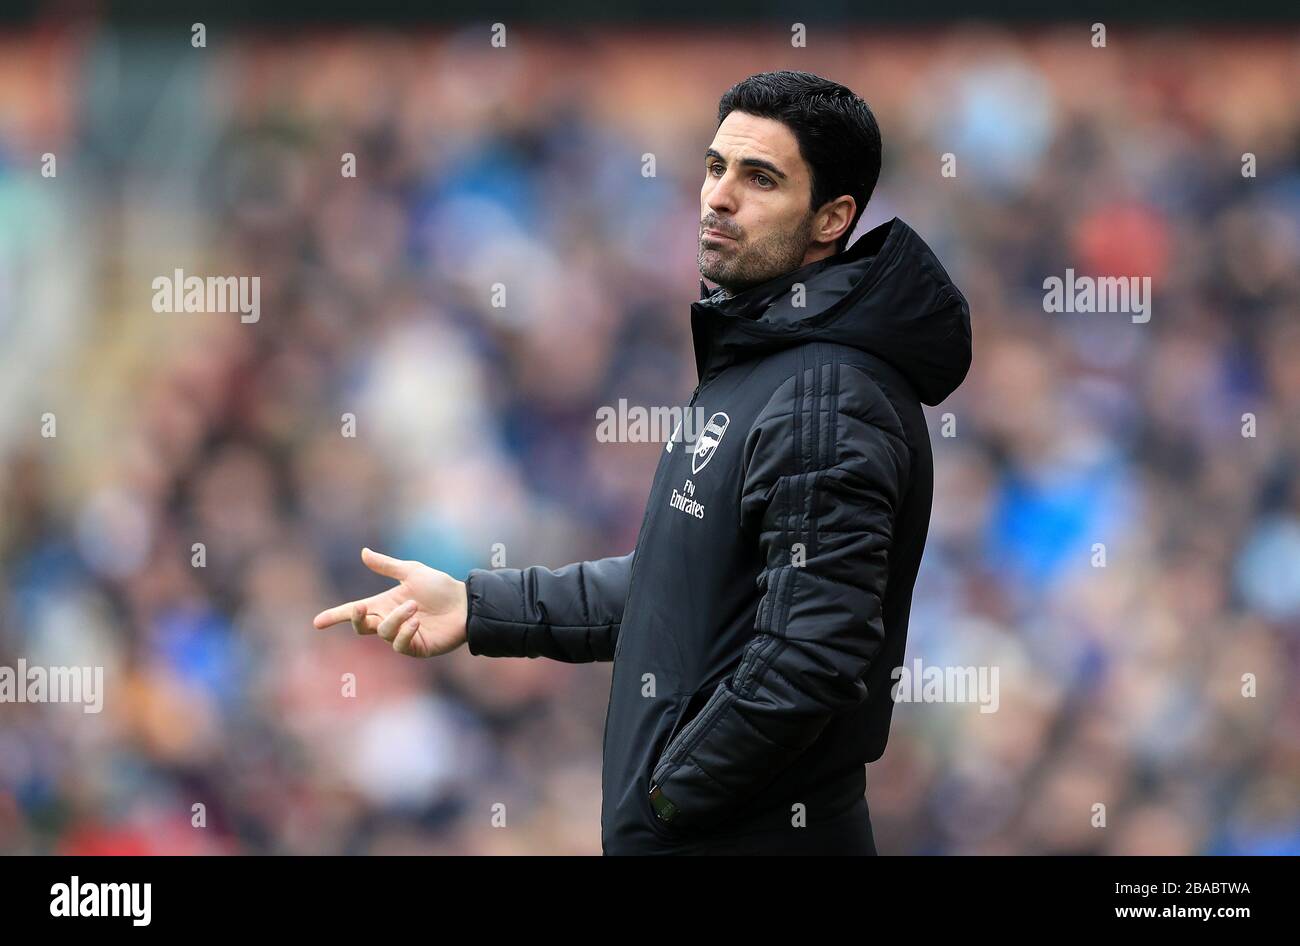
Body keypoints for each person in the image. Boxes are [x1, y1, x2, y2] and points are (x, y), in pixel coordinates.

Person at [314, 70, 972, 855]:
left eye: (760, 178)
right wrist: (480, 606)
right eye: (715, 167)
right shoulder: (770, 362)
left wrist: (669, 797)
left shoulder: (827, 396)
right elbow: (685, 583)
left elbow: (813, 656)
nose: (719, 196)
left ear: (832, 217)